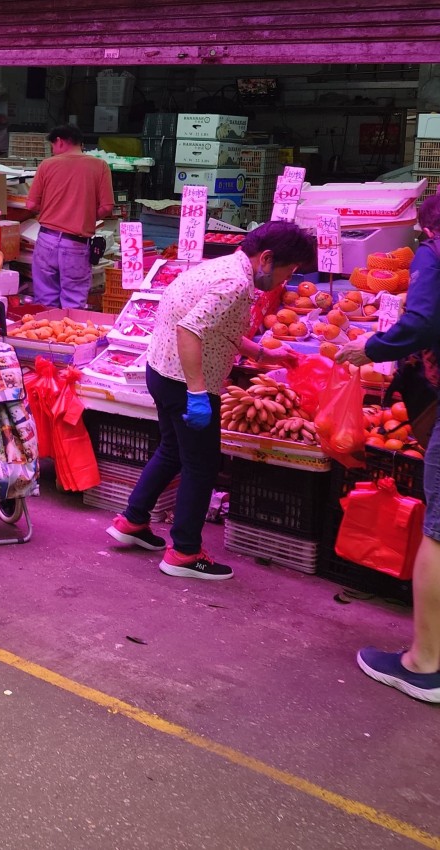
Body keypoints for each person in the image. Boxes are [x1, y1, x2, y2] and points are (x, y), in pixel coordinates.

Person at [106, 221, 315, 580]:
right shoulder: (234, 283)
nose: (284, 280)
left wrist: (267, 355)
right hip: (183, 382)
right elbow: (191, 330)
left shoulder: (225, 268)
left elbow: (222, 330)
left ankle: (133, 521)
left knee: (172, 450)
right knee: (201, 467)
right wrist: (198, 393)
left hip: (164, 372)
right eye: (288, 270)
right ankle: (185, 552)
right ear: (267, 258)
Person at [336, 195, 440, 703]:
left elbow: (420, 323)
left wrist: (372, 348)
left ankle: (424, 664)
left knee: (439, 534)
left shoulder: (433, 252)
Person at [25, 124, 114, 309]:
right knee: (73, 303)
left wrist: (51, 208)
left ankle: (45, 336)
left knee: (45, 302)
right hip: (77, 243)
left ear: (59, 141)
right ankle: (69, 336)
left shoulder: (47, 165)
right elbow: (106, 207)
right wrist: (85, 214)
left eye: (53, 147)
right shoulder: (99, 166)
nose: (53, 152)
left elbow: (31, 205)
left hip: (46, 240)